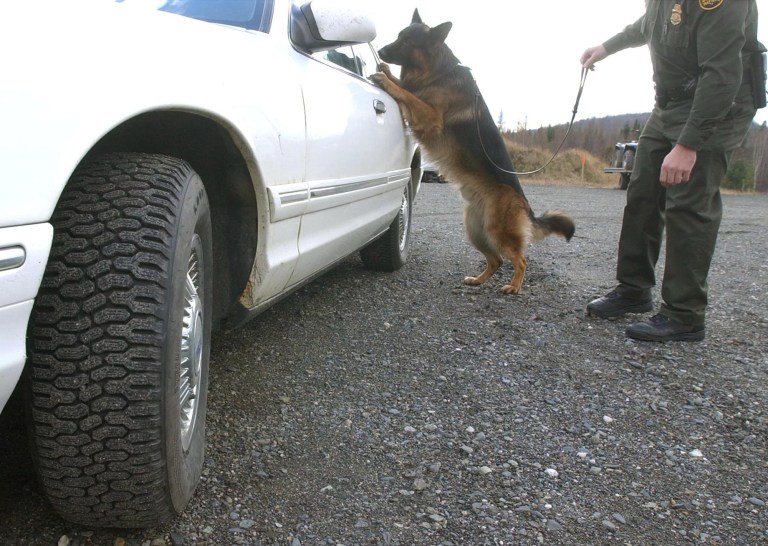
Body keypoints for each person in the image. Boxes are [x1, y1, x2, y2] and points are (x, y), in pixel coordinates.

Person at [581, 0, 765, 342]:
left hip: (718, 104)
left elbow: (723, 73)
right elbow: (649, 23)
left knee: (688, 204)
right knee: (642, 193)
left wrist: (689, 145)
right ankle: (633, 290)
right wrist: (607, 47)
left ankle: (685, 314)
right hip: (668, 103)